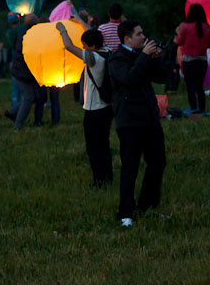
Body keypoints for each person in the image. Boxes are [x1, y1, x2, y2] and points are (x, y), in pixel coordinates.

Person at [108, 20, 167, 227]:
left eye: (143, 33)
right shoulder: (117, 59)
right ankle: (126, 212)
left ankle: (147, 206)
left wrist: (156, 57)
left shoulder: (142, 55)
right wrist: (144, 56)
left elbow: (161, 76)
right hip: (130, 121)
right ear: (127, 38)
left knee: (157, 162)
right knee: (130, 167)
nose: (144, 37)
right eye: (140, 34)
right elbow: (130, 79)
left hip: (149, 118)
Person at [57, 22, 113, 187]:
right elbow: (93, 34)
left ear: (92, 46)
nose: (83, 48)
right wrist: (80, 20)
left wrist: (62, 30)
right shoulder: (107, 52)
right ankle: (108, 177)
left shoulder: (93, 58)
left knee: (93, 148)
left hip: (93, 109)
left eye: (85, 46)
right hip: (107, 108)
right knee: (104, 145)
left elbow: (68, 46)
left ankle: (98, 181)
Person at [174, 3, 210, 114]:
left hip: (188, 61)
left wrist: (178, 33)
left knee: (190, 85)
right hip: (202, 61)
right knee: (200, 86)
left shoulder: (186, 27)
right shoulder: (207, 28)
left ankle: (193, 108)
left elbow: (179, 42)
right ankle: (202, 108)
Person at [6, 14, 41, 129]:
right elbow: (28, 54)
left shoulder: (24, 31)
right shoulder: (28, 35)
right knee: (29, 97)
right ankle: (18, 124)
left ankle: (12, 112)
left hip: (22, 70)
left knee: (32, 96)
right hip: (22, 72)